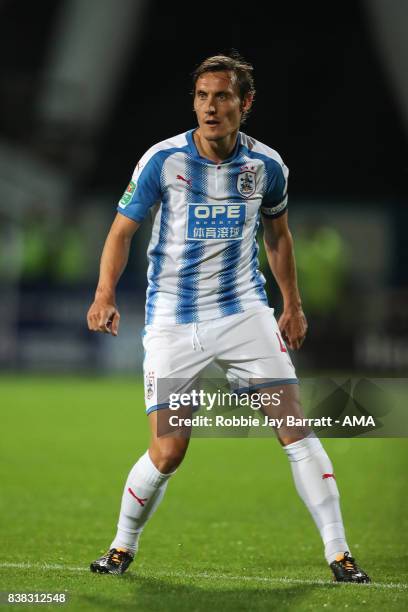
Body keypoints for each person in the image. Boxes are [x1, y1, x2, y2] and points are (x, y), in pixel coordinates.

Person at [86, 53, 369, 583]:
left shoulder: (267, 167)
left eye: (221, 96)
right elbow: (121, 231)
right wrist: (104, 294)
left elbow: (278, 236)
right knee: (168, 452)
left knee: (295, 429)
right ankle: (122, 546)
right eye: (201, 96)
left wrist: (293, 304)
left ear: (246, 103)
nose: (210, 108)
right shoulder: (162, 161)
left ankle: (339, 553)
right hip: (172, 319)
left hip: (245, 313)